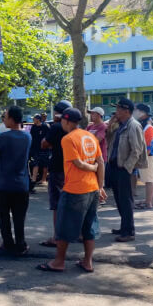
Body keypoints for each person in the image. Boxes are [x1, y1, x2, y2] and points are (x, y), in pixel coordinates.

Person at [37, 108, 106, 272]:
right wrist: (100, 186)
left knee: (63, 226)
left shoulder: (68, 139)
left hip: (75, 188)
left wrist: (92, 167)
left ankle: (58, 262)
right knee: (89, 227)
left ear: (66, 121)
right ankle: (88, 262)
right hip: (92, 188)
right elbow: (101, 162)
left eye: (62, 120)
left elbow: (78, 164)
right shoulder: (90, 136)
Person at [0, 106, 32, 255]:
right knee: (19, 217)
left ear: (12, 119)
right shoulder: (28, 136)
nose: (4, 119)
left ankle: (7, 243)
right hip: (22, 183)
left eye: (5, 117)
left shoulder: (3, 137)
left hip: (4, 183)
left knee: (4, 216)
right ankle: (21, 244)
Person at [108, 98, 148, 242]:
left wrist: (127, 167)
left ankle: (129, 231)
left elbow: (136, 150)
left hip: (123, 168)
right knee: (119, 199)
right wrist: (111, 123)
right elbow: (108, 139)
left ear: (126, 111)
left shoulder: (133, 126)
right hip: (114, 166)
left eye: (118, 109)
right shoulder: (120, 125)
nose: (116, 112)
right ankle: (124, 226)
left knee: (125, 200)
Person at [39, 100, 72, 248]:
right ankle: (75, 233)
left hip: (58, 168)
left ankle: (57, 237)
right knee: (72, 203)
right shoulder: (76, 128)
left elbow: (44, 144)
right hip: (73, 169)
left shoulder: (57, 127)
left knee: (57, 204)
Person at [134, 104, 153, 210]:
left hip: (148, 156)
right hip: (147, 155)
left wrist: (143, 157)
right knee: (149, 179)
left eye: (137, 110)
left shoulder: (148, 126)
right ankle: (150, 201)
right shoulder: (144, 123)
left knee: (149, 181)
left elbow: (149, 144)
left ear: (143, 112)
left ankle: (149, 203)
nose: (135, 112)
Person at [29, 114, 49, 187]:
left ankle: (43, 179)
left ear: (38, 119)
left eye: (34, 119)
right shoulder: (33, 127)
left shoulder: (45, 126)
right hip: (35, 148)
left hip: (44, 149)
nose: (33, 120)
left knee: (45, 164)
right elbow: (31, 137)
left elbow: (48, 137)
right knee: (35, 163)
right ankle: (33, 179)